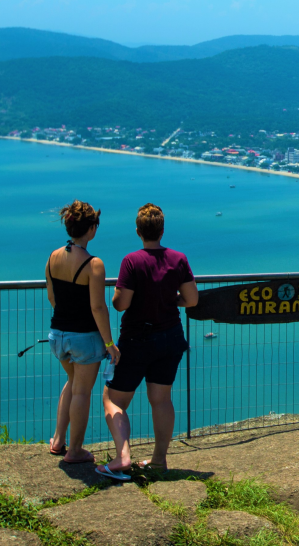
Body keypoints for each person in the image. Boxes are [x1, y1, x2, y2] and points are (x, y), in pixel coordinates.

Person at [98, 203, 198, 480]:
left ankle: (123, 456)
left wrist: (122, 297)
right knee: (161, 399)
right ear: (162, 230)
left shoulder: (132, 261)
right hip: (170, 337)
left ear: (138, 231)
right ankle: (158, 461)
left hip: (137, 338)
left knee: (113, 399)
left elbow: (120, 304)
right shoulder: (178, 259)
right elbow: (191, 300)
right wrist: (170, 300)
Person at [45, 200, 119, 465]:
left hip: (57, 334)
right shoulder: (93, 264)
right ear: (92, 229)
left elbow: (53, 297)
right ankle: (74, 450)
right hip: (85, 338)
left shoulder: (53, 257)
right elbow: (98, 307)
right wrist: (110, 343)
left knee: (72, 383)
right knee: (82, 392)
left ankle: (57, 440)